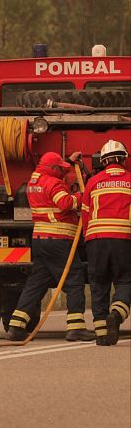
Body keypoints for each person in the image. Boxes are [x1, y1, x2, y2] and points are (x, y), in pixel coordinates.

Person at [5, 151, 95, 342]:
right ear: (53, 168)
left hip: (40, 240)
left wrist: (69, 163)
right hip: (57, 240)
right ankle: (76, 327)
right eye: (60, 168)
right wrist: (81, 195)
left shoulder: (35, 181)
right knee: (74, 278)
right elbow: (64, 202)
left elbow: (53, 184)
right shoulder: (53, 183)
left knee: (36, 283)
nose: (62, 172)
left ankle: (16, 326)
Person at [81, 140, 130, 346]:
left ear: (103, 161)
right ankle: (116, 315)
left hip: (96, 241)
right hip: (124, 239)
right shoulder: (130, 180)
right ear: (123, 159)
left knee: (99, 284)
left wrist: (87, 239)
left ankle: (102, 334)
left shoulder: (93, 181)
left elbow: (85, 213)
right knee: (126, 280)